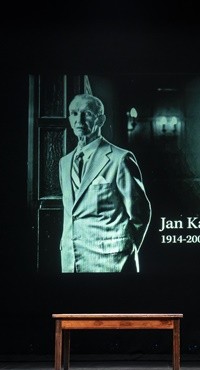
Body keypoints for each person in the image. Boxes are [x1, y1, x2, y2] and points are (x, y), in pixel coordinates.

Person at [58, 93, 152, 273]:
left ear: (100, 120)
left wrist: (125, 248)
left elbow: (140, 213)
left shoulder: (120, 158)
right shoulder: (65, 162)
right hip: (71, 260)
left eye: (87, 114)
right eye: (74, 113)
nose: (79, 119)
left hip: (112, 262)